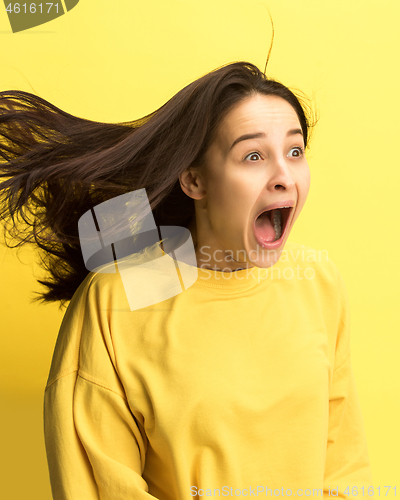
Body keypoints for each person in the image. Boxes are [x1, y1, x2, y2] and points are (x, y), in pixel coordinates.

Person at [0, 61, 374, 499]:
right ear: (194, 180)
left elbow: (345, 467)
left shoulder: (318, 281)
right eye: (253, 156)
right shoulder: (115, 298)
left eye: (294, 152)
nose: (284, 177)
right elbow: (99, 486)